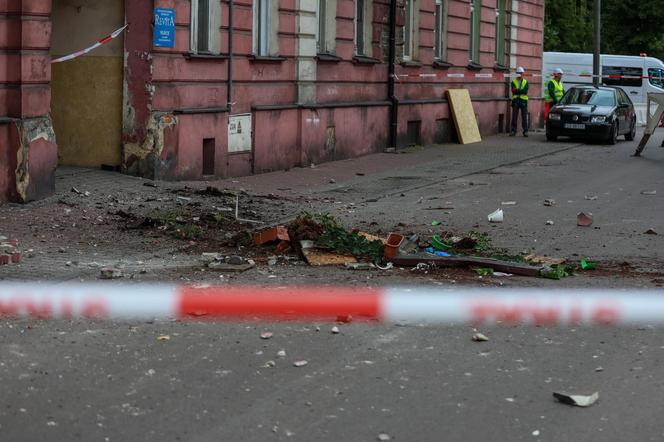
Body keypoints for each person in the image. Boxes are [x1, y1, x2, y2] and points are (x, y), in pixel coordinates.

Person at [510, 66, 529, 137]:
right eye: (518, 73)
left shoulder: (525, 82)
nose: (520, 74)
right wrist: (520, 91)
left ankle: (525, 131)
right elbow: (513, 91)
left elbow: (525, 91)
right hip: (516, 101)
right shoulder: (513, 82)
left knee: (524, 117)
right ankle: (513, 131)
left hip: (523, 101)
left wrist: (517, 90)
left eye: (521, 73)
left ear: (522, 73)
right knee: (514, 116)